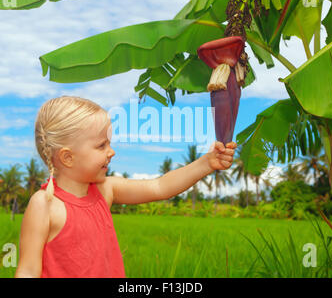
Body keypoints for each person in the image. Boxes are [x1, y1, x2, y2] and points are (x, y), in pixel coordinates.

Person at [15, 96, 237, 278]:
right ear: (68, 157)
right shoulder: (44, 204)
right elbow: (27, 271)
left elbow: (159, 186)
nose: (111, 152)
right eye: (102, 145)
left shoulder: (105, 190)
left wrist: (206, 163)